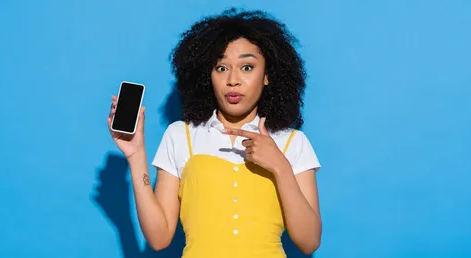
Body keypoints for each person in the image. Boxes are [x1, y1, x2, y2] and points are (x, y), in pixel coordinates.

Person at [107, 8, 322, 258]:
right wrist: (136, 156)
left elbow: (309, 242)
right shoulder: (181, 135)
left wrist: (280, 166)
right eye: (221, 68)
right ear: (207, 75)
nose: (233, 80)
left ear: (267, 76)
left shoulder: (293, 142)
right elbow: (159, 238)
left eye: (247, 67)